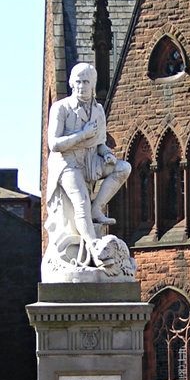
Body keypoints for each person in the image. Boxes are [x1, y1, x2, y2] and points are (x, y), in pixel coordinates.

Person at [44, 62, 131, 267]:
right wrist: (82, 135)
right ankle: (94, 249)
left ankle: (97, 208)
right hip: (67, 162)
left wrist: (107, 154)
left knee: (123, 168)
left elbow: (100, 142)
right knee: (81, 202)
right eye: (78, 82)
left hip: (91, 159)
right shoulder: (61, 108)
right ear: (72, 84)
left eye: (86, 82)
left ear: (93, 84)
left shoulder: (98, 110)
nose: (82, 86)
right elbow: (54, 144)